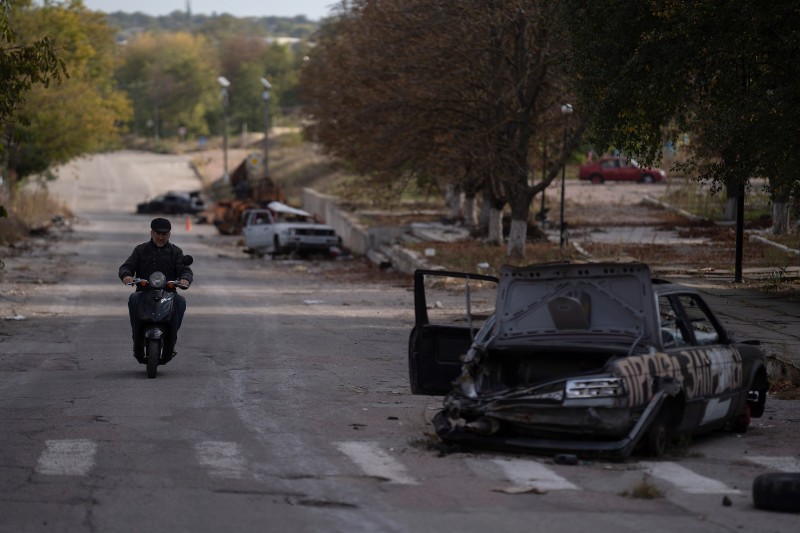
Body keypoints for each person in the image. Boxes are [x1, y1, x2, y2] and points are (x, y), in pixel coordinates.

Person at [119, 218, 193, 358]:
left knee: (181, 302)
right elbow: (127, 266)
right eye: (157, 233)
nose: (160, 237)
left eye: (164, 234)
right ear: (151, 233)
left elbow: (185, 270)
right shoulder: (140, 250)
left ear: (169, 235)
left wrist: (185, 279)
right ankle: (137, 336)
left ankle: (172, 337)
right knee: (133, 299)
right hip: (144, 292)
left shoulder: (176, 252)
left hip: (168, 293)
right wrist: (126, 276)